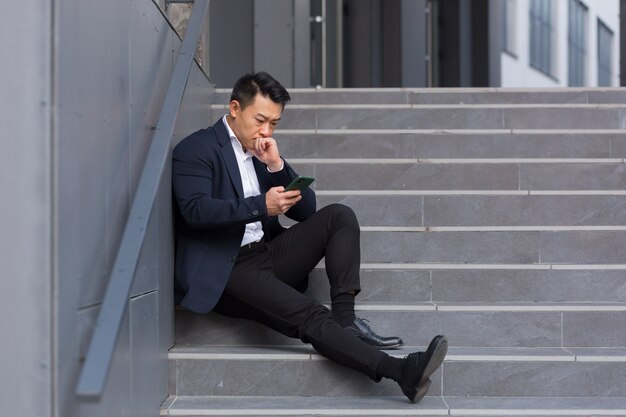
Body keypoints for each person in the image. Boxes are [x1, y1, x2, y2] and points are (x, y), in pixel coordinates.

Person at [172, 71, 447, 403]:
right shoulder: (196, 149)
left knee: (338, 216)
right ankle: (401, 372)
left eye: (274, 124)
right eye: (261, 120)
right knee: (313, 314)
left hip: (267, 254)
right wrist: (262, 205)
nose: (266, 131)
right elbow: (196, 211)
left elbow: (308, 211)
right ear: (234, 108)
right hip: (228, 269)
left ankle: (345, 323)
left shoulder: (260, 152)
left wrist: (276, 166)